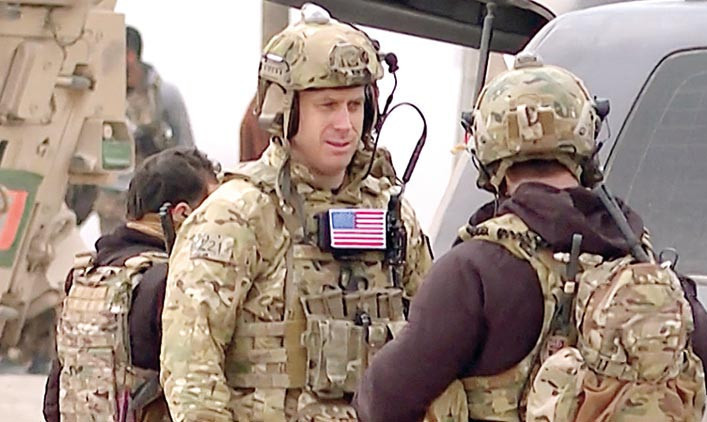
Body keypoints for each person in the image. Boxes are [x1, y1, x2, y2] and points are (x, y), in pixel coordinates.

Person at [354, 54, 707, 421]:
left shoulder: (474, 269)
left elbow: (382, 402)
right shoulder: (634, 255)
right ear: (586, 140)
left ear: (486, 151)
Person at [159, 4, 432, 421]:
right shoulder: (239, 216)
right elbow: (190, 365)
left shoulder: (391, 213)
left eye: (354, 105)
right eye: (327, 105)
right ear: (284, 109)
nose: (345, 124)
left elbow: (431, 339)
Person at [43, 147, 218, 422]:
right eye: (214, 209)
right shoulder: (169, 283)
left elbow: (55, 397)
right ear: (183, 213)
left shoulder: (84, 276)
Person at [92, 25, 196, 235]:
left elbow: (186, 149)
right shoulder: (103, 96)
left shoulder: (164, 95)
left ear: (130, 55)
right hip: (113, 203)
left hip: (154, 201)